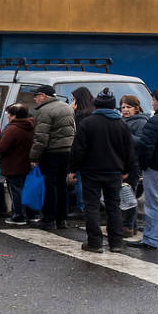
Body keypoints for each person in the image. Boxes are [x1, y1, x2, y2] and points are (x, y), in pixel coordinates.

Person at [68, 88, 133, 253]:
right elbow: (129, 150)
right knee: (113, 206)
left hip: (91, 171)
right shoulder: (121, 124)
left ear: (97, 105)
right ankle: (116, 243)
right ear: (113, 106)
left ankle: (95, 243)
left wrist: (73, 169)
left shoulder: (87, 123)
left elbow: (78, 150)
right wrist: (127, 169)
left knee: (92, 206)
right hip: (114, 172)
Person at [29, 85, 75, 231]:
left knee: (50, 186)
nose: (35, 100)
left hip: (51, 152)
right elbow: (73, 130)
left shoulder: (44, 111)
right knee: (62, 185)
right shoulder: (67, 108)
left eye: (36, 96)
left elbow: (41, 137)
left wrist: (33, 157)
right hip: (66, 151)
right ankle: (62, 219)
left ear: (43, 96)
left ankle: (49, 219)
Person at [130, 87, 158, 250]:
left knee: (155, 204)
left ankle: (151, 239)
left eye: (153, 100)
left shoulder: (156, 120)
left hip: (157, 168)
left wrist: (142, 165)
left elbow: (146, 146)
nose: (152, 103)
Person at [0, 104, 34, 226]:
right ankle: (32, 215)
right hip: (27, 163)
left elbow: (2, 147)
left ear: (14, 116)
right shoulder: (32, 126)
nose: (7, 117)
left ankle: (19, 216)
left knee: (16, 191)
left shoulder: (13, 129)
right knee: (27, 189)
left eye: (8, 114)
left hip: (13, 165)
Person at [119, 95, 149, 237]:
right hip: (120, 163)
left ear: (136, 108)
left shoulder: (141, 122)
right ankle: (131, 226)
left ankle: (128, 226)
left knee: (129, 196)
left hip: (133, 164)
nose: (125, 110)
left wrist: (126, 134)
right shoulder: (121, 121)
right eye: (123, 107)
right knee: (123, 195)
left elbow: (141, 142)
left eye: (128, 107)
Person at [69, 86, 95, 217]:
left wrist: (71, 112)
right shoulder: (95, 112)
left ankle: (81, 206)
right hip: (95, 153)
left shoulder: (80, 115)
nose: (72, 103)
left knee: (79, 179)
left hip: (83, 152)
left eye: (73, 100)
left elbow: (76, 136)